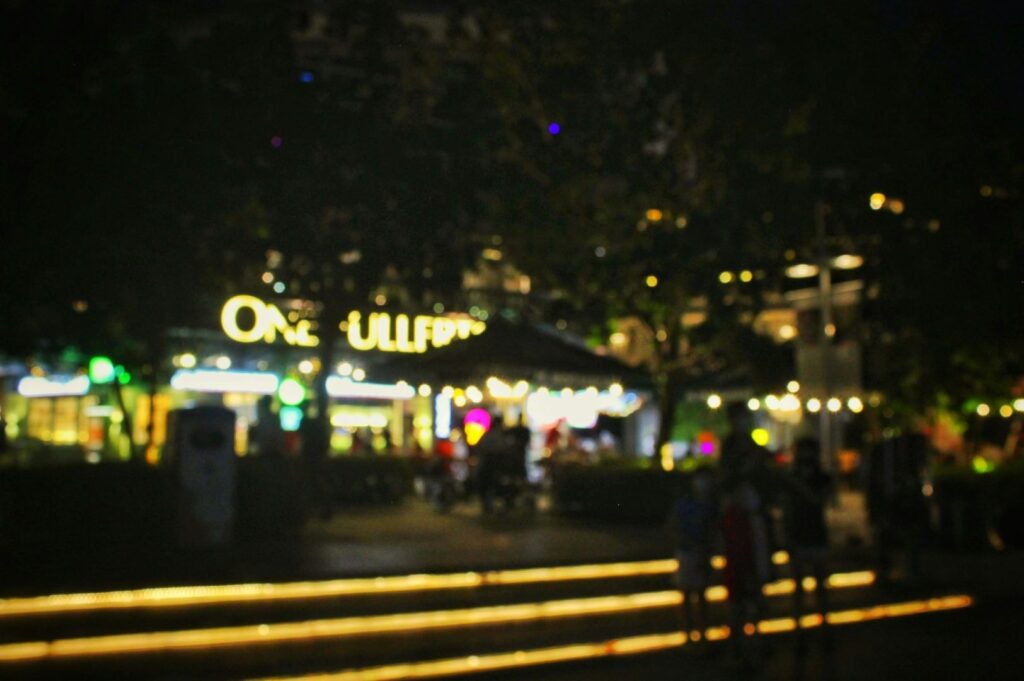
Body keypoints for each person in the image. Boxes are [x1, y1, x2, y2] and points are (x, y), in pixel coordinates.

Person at [784, 437, 833, 652]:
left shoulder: (819, 478)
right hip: (799, 536)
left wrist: (800, 486)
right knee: (799, 588)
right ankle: (800, 631)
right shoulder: (793, 477)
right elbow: (786, 506)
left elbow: (821, 499)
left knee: (819, 585)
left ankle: (823, 628)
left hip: (815, 535)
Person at [720, 476, 771, 670]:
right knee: (742, 610)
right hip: (742, 567)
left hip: (746, 567)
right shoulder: (740, 516)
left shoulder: (747, 517)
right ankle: (744, 650)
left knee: (744, 609)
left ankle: (746, 650)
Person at [666, 469, 716, 644]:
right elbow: (673, 526)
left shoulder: (707, 505)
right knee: (689, 594)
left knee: (699, 594)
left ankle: (701, 634)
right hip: (688, 553)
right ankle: (690, 634)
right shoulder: (685, 504)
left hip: (699, 552)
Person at [300, 410, 332, 519]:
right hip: (318, 459)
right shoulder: (322, 425)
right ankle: (323, 510)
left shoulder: (309, 425)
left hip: (310, 459)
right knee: (318, 483)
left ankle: (306, 511)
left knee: (309, 483)